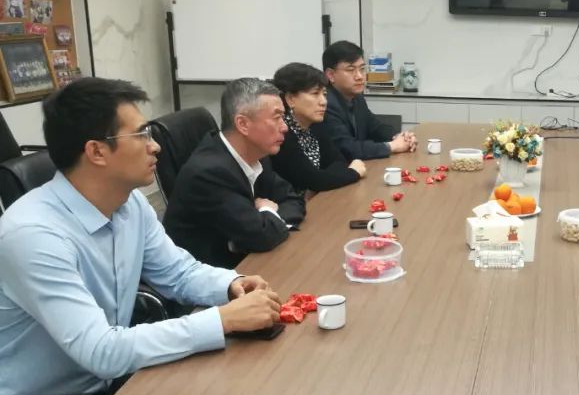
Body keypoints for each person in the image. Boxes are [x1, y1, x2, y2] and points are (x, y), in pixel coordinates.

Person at [0, 78, 283, 395]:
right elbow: (101, 351)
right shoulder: (33, 235)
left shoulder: (127, 204)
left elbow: (177, 271)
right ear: (97, 151)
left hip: (93, 382)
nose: (156, 146)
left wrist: (231, 285)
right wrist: (220, 320)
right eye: (142, 134)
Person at [164, 78, 306, 269]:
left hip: (249, 262)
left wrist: (268, 219)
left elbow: (293, 199)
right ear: (243, 124)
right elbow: (262, 237)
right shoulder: (209, 173)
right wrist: (268, 211)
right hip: (212, 276)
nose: (285, 127)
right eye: (276, 117)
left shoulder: (257, 154)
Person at [270, 62, 367, 193]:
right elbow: (315, 180)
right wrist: (353, 172)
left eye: (324, 94)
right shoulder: (281, 133)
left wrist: (323, 180)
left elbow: (338, 162)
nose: (323, 101)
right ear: (290, 99)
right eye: (315, 93)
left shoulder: (315, 125)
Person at [315, 40, 416, 161]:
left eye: (362, 69)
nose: (359, 76)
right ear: (331, 75)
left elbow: (376, 127)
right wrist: (391, 146)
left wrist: (401, 137)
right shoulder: (325, 104)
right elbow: (347, 149)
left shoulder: (356, 97)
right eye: (350, 70)